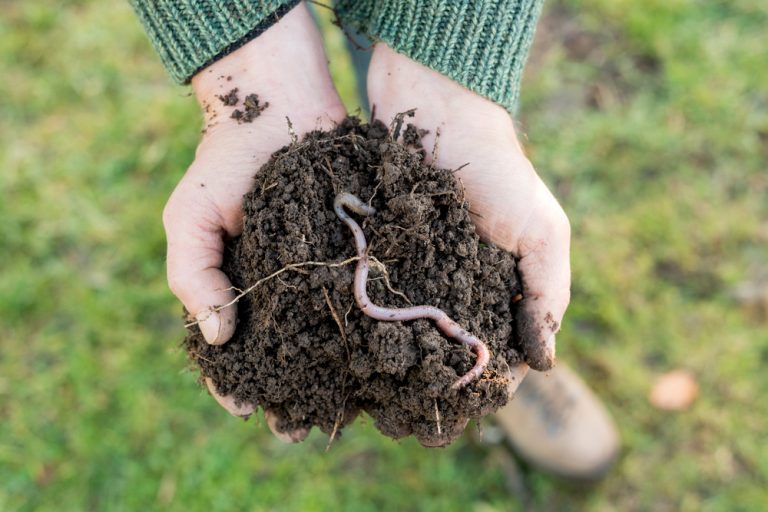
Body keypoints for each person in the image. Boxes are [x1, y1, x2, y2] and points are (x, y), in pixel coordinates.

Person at [129, 0, 619, 480]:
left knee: (394, 60)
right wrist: (244, 60)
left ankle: (481, 348)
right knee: (388, 84)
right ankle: (474, 353)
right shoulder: (349, 229)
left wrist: (451, 68)